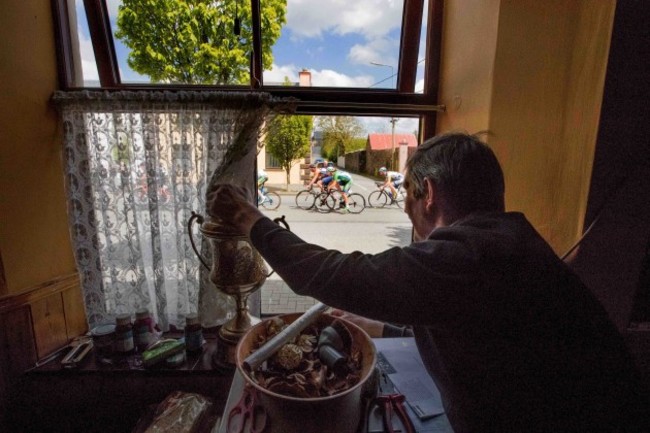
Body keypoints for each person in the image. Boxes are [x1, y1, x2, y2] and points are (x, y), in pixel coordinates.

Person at [208, 132, 647, 433]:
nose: (407, 214)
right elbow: (471, 323)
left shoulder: (469, 256)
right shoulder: (511, 239)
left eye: (408, 201)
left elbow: (330, 274)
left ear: (429, 193)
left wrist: (249, 218)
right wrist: (386, 327)